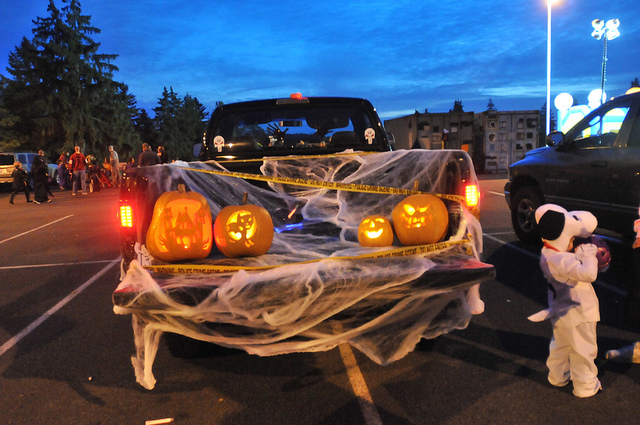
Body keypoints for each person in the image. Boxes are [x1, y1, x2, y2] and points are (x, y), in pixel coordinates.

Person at [528, 204, 602, 398]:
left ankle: (557, 376)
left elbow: (567, 264)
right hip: (580, 313)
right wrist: (588, 254)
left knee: (560, 345)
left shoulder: (548, 253)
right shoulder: (564, 260)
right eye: (570, 239)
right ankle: (585, 385)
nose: (573, 243)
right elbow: (589, 274)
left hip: (560, 312)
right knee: (582, 349)